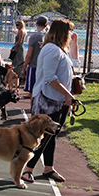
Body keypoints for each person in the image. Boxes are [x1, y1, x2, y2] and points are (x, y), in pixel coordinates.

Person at [22, 19, 77, 184]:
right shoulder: (52, 50)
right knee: (43, 136)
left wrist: (74, 44)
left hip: (57, 100)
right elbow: (49, 78)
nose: (71, 35)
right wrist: (68, 95)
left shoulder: (60, 50)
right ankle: (27, 169)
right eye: (69, 32)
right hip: (48, 99)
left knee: (52, 135)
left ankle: (48, 168)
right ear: (62, 32)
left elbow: (75, 62)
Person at [22, 16, 48, 98]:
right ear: (46, 25)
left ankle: (33, 107)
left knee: (33, 89)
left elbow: (29, 55)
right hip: (46, 66)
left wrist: (24, 67)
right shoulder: (49, 37)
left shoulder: (33, 37)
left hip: (34, 65)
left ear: (36, 24)